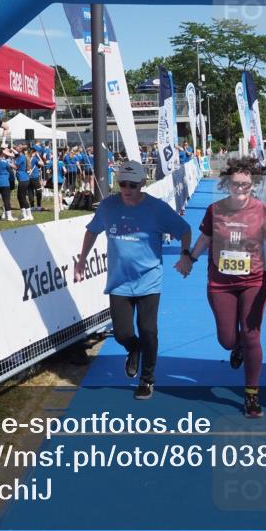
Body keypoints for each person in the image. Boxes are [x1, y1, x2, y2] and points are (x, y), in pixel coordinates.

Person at [74, 161, 191, 400]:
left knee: (149, 330)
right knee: (122, 334)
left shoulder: (157, 209)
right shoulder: (108, 206)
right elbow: (92, 230)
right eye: (122, 184)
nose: (126, 189)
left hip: (149, 280)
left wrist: (185, 254)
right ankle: (133, 348)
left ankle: (147, 379)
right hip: (119, 282)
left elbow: (184, 229)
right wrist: (82, 259)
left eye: (132, 185)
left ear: (143, 184)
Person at [183, 157, 266, 418]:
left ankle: (252, 394)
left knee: (252, 336)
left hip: (254, 281)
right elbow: (205, 237)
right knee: (227, 340)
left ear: (253, 186)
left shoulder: (262, 211)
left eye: (246, 185)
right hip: (221, 283)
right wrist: (190, 259)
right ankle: (236, 346)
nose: (241, 189)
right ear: (227, 184)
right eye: (236, 184)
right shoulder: (215, 209)